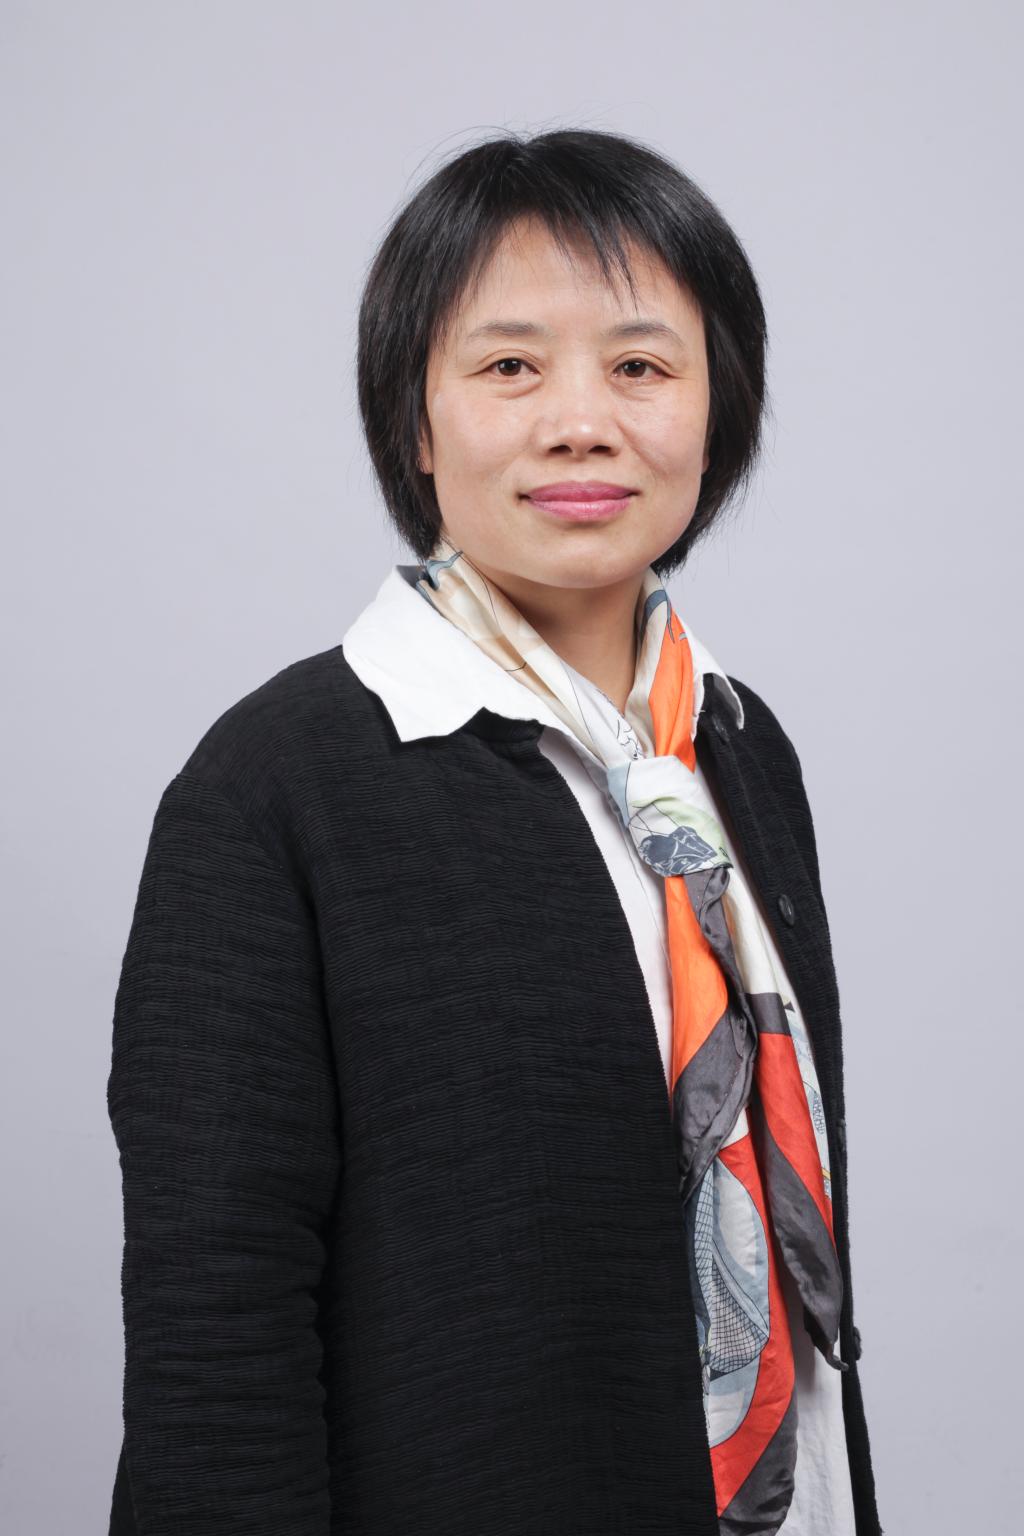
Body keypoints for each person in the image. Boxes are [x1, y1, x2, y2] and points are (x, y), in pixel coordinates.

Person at [106, 128, 883, 1536]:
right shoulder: (274, 786)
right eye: (510, 366)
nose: (580, 422)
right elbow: (215, 1341)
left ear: (719, 408)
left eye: (641, 367)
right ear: (416, 421)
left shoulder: (736, 749)